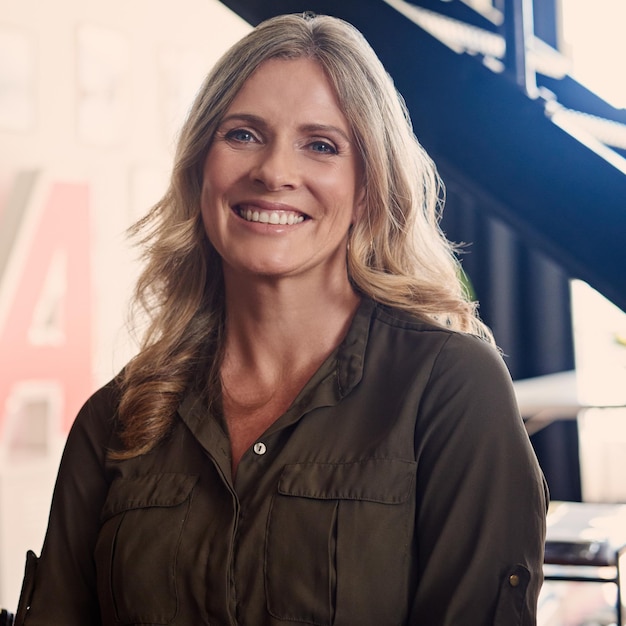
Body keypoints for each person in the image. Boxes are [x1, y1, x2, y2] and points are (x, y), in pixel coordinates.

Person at [14, 12, 548, 626]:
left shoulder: (449, 388)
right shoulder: (116, 419)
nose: (273, 172)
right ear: (199, 168)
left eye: (321, 145)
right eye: (242, 134)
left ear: (367, 187)